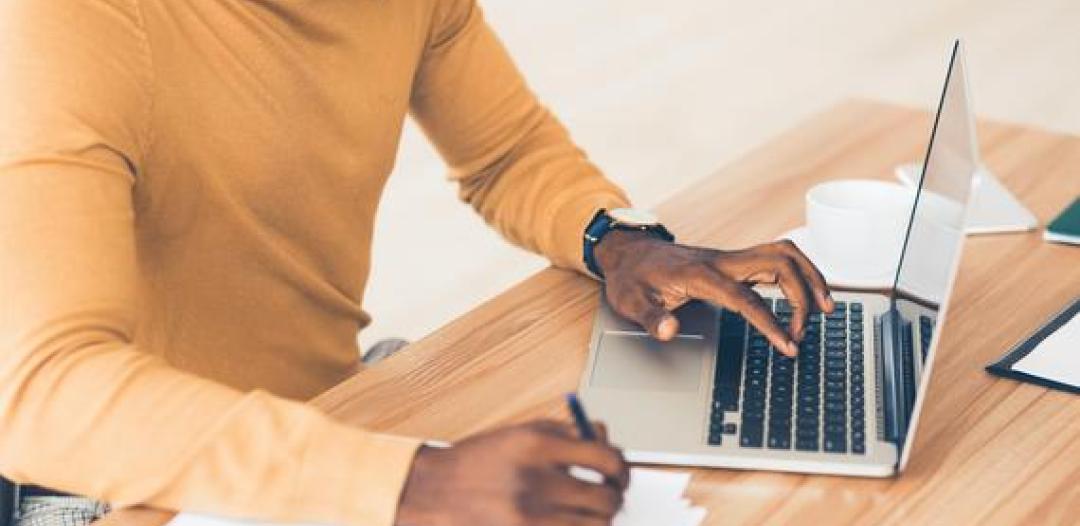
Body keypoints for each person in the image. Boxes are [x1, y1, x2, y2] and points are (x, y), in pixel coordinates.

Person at [0, 1, 832, 525]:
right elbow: (42, 394)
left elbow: (505, 151)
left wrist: (619, 242)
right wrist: (406, 486)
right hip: (121, 482)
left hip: (331, 414)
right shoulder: (72, 20)